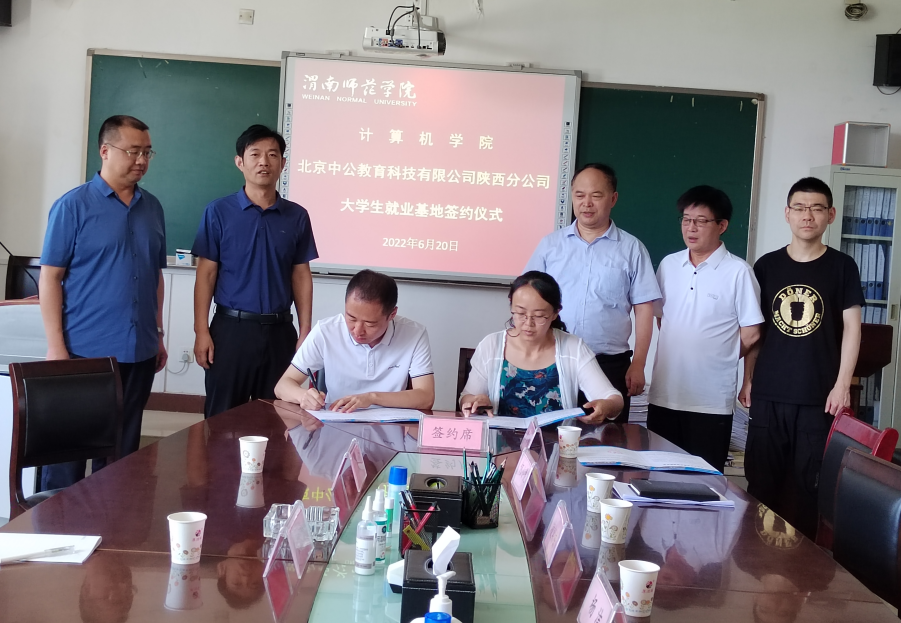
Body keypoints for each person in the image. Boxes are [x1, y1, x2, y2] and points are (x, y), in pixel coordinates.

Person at [39, 114, 167, 490]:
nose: (141, 160)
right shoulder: (73, 206)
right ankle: (57, 522)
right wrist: (56, 347)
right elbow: (50, 277)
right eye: (133, 151)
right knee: (70, 449)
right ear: (105, 150)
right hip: (85, 352)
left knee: (121, 455)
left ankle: (112, 521)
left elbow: (154, 275)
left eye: (147, 152)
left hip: (140, 350)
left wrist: (158, 333)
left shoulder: (153, 207)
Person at [742, 177, 863, 540]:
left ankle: (804, 570)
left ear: (831, 215)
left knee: (810, 488)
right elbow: (756, 331)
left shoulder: (842, 266)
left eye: (816, 208)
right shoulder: (766, 266)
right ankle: (757, 562)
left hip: (818, 398)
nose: (807, 215)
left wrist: (842, 385)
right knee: (761, 485)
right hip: (769, 394)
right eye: (799, 207)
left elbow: (853, 328)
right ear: (787, 213)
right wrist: (748, 378)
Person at [192, 124, 318, 419]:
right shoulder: (218, 212)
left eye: (272, 155)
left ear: (282, 163)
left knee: (279, 418)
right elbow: (206, 275)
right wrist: (201, 331)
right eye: (255, 154)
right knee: (222, 420)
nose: (264, 162)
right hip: (230, 331)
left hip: (280, 332)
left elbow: (301, 275)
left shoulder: (297, 216)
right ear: (240, 162)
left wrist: (305, 332)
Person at [525, 163, 660, 422]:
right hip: (552, 360)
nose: (586, 203)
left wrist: (639, 364)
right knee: (548, 435)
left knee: (606, 439)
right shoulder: (550, 245)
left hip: (609, 365)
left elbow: (644, 309)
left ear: (613, 199)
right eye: (579, 195)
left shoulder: (632, 249)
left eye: (596, 196)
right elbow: (527, 297)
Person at [647, 186, 764, 472]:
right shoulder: (669, 265)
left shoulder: (738, 272)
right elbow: (663, 319)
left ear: (722, 225)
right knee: (658, 478)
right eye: (686, 220)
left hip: (709, 402)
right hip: (665, 394)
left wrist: (719, 355)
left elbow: (752, 332)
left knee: (704, 482)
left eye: (701, 221)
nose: (691, 228)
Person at [460, 271, 623, 422]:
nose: (528, 323)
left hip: (557, 442)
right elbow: (466, 397)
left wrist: (606, 407)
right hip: (499, 440)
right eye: (520, 313)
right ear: (511, 306)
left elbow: (614, 399)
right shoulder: (491, 345)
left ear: (555, 313)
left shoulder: (573, 348)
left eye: (539, 316)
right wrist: (474, 401)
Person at [274, 269, 435, 413]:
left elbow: (426, 397)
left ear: (392, 314)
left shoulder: (414, 334)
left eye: (370, 324)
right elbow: (282, 386)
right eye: (351, 318)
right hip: (336, 424)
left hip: (391, 429)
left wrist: (371, 398)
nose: (357, 331)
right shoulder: (326, 331)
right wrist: (303, 396)